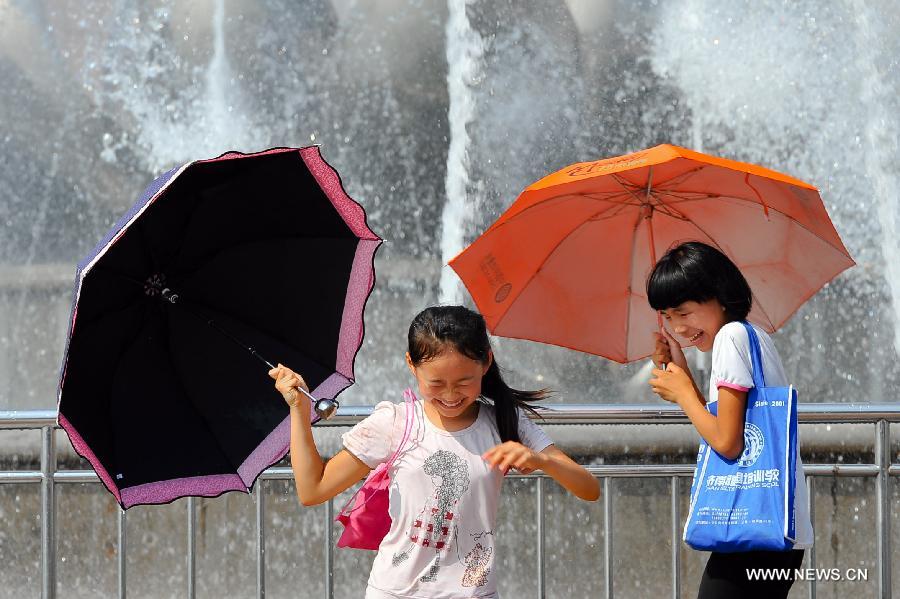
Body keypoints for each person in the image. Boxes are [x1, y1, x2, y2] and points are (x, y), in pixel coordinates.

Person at [270, 305, 599, 598]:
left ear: (487, 362)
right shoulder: (395, 423)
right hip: (395, 592)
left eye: (464, 381)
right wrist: (298, 410)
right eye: (437, 384)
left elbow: (589, 489)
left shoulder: (504, 422)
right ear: (411, 365)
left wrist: (542, 460)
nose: (452, 395)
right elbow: (313, 489)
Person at [646, 241, 813, 598]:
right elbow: (725, 424)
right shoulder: (751, 335)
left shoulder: (730, 338)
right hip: (773, 523)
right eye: (668, 316)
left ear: (718, 295)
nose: (677, 327)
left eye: (683, 312)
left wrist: (683, 395)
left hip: (753, 531)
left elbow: (727, 442)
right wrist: (682, 370)